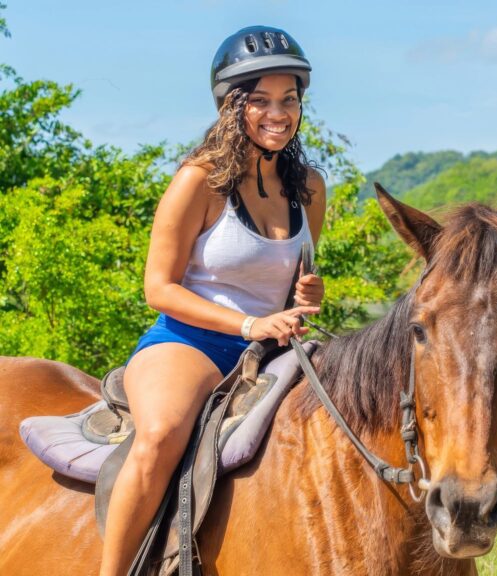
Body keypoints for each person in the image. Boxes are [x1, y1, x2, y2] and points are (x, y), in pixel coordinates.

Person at [99, 26, 327, 575]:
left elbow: (295, 275)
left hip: (275, 347)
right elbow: (159, 287)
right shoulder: (198, 180)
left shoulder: (310, 187)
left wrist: (308, 291)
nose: (280, 113)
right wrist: (248, 323)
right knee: (158, 437)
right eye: (262, 101)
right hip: (188, 342)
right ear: (232, 105)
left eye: (290, 100)